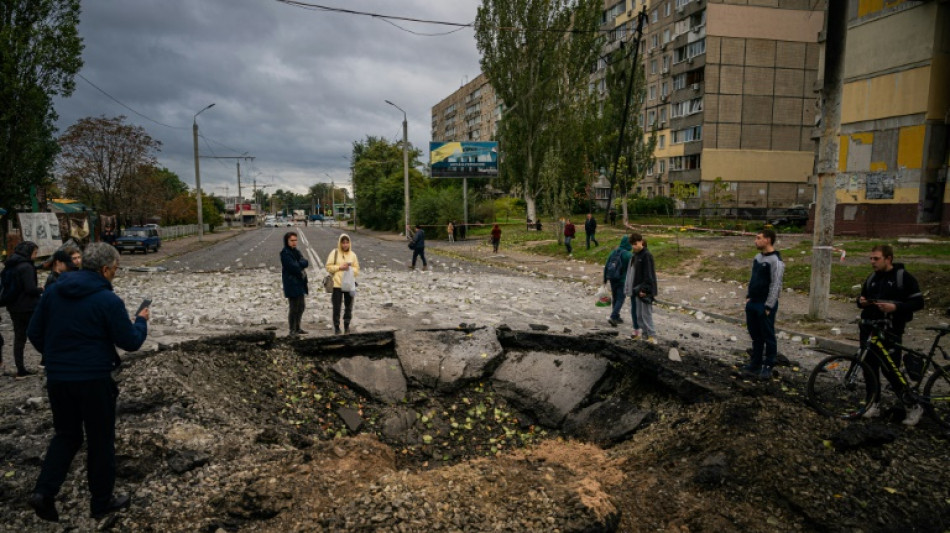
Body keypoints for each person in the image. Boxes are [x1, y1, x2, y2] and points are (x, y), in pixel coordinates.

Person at [26, 242, 148, 522]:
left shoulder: (54, 291)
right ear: (104, 270)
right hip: (94, 379)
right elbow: (130, 341)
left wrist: (56, 356)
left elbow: (34, 332)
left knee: (66, 435)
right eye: (115, 269)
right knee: (100, 441)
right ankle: (101, 503)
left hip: (58, 378)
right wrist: (141, 321)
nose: (115, 273)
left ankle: (43, 492)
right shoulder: (108, 301)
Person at [857, 244, 925, 425]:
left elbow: (918, 302)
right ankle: (873, 403)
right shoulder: (872, 278)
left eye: (876, 258)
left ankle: (912, 406)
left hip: (891, 330)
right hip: (870, 329)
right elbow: (862, 298)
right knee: (869, 368)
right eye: (871, 258)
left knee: (891, 370)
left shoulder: (903, 278)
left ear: (888, 259)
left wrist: (896, 307)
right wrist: (861, 302)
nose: (872, 262)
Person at [743, 229, 784, 379]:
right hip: (753, 302)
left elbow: (776, 285)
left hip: (764, 304)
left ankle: (768, 365)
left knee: (768, 335)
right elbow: (753, 278)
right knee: (756, 335)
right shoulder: (758, 257)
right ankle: (755, 363)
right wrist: (749, 296)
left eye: (758, 238)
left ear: (768, 240)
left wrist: (769, 306)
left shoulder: (776, 261)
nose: (756, 241)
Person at [4, 241, 43, 378]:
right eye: (35, 253)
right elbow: (30, 289)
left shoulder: (12, 264)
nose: (35, 255)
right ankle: (46, 362)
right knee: (40, 332)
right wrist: (41, 289)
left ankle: (20, 369)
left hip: (14, 306)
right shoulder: (26, 266)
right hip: (27, 307)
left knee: (19, 338)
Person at [625, 234, 658, 344]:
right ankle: (645, 335)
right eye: (632, 245)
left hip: (645, 291)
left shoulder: (646, 255)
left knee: (646, 314)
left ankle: (652, 336)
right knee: (639, 315)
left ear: (641, 242)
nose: (633, 246)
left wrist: (645, 290)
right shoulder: (636, 255)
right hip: (637, 290)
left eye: (635, 244)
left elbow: (649, 275)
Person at [326, 234, 360, 335]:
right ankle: (337, 327)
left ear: (349, 243)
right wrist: (339, 267)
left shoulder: (353, 255)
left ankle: (347, 326)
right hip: (337, 284)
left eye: (347, 242)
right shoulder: (334, 253)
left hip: (349, 284)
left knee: (348, 307)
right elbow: (328, 267)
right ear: (340, 243)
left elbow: (357, 269)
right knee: (336, 307)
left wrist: (349, 269)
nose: (345, 245)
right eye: (343, 242)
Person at [280, 232, 309, 336]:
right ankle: (292, 329)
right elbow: (293, 267)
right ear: (287, 241)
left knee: (301, 306)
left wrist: (299, 264)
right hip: (291, 283)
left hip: (300, 283)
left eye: (295, 240)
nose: (294, 242)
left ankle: (297, 327)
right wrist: (300, 264)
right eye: (292, 240)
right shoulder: (285, 253)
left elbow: (306, 262)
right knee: (294, 307)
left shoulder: (296, 252)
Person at [604, 236, 633, 327]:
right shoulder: (629, 255)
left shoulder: (614, 252)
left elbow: (607, 265)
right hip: (622, 280)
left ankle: (616, 316)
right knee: (620, 298)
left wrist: (605, 278)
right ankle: (613, 316)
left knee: (615, 297)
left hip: (612, 278)